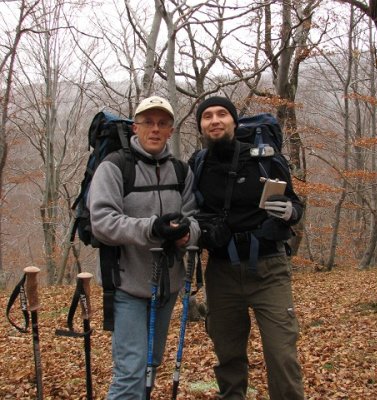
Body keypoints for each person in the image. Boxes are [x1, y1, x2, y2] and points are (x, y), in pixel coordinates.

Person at [191, 96, 304, 399]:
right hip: (221, 272)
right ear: (200, 126)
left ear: (234, 121)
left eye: (222, 114)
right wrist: (203, 231)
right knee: (228, 355)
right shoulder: (198, 165)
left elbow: (295, 204)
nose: (215, 120)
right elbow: (188, 213)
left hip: (269, 269)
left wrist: (288, 212)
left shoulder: (264, 159)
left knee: (282, 354)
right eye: (207, 116)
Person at [88, 95, 200, 399]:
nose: (155, 129)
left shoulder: (181, 171)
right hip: (127, 285)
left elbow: (194, 219)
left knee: (151, 364)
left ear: (171, 131)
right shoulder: (115, 167)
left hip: (167, 288)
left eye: (162, 123)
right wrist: (151, 228)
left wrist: (187, 235)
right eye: (148, 122)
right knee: (130, 372)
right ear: (135, 127)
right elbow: (102, 222)